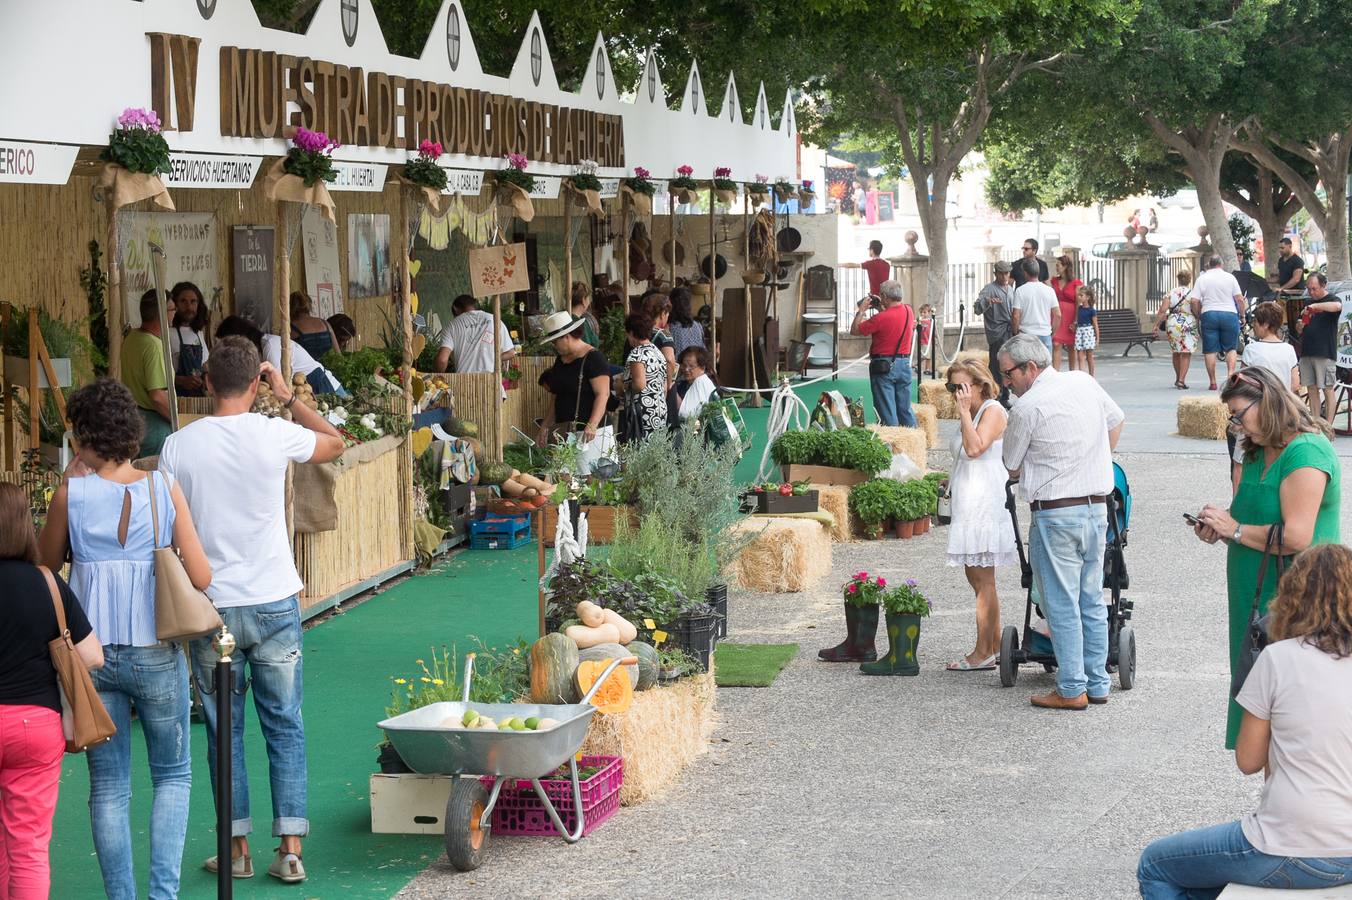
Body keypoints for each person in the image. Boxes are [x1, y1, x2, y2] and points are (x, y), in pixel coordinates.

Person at [160, 336, 346, 883]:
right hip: (272, 601)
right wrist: (287, 396)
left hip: (209, 607)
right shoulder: (275, 432)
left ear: (209, 383)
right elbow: (336, 442)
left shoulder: (179, 445)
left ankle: (235, 848)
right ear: (255, 383)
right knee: (284, 725)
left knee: (224, 730)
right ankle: (290, 849)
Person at [38, 379, 210, 900]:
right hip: (157, 651)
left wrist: (72, 480)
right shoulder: (163, 488)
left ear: (84, 437)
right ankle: (163, 895)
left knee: (108, 788)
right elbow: (200, 577)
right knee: (173, 776)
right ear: (132, 432)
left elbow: (44, 568)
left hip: (91, 657)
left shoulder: (71, 494)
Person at [1136, 544, 1352, 898]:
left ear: (1292, 596)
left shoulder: (1278, 659)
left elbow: (1248, 760)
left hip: (1290, 841)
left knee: (1156, 865)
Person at [1194, 366, 1341, 749]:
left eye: (1240, 416)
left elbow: (1295, 536)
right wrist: (1220, 528)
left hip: (1298, 597)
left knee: (1293, 710)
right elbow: (1248, 524)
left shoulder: (1306, 451)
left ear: (1269, 402)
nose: (1238, 426)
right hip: (1254, 595)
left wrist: (1235, 530)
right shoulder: (1256, 452)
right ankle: (1276, 800)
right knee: (1263, 706)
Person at [1000, 334, 1125, 710]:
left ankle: (1071, 688)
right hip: (1096, 507)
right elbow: (1116, 422)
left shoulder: (1026, 408)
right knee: (1091, 597)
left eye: (1008, 374)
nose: (1006, 382)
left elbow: (1011, 463)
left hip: (1056, 511)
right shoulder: (1083, 381)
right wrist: (1093, 458)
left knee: (1061, 603)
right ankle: (1098, 681)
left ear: (1030, 369)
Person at [0, 483, 101, 899]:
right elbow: (92, 655)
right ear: (26, 525)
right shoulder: (47, 582)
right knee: (28, 846)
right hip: (34, 724)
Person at [943, 359, 1017, 672]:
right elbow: (966, 457)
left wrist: (961, 413)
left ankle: (982, 651)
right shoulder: (973, 413)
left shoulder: (993, 411)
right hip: (970, 502)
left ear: (980, 385)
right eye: (951, 387)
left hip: (985, 505)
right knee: (977, 578)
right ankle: (995, 645)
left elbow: (975, 449)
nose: (955, 393)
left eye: (961, 386)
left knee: (983, 579)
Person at [215, 316, 346, 397]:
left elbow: (276, 384)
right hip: (308, 388)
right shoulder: (262, 348)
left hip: (320, 385)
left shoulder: (271, 346)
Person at [536, 311, 611, 446]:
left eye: (555, 342)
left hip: (592, 434)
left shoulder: (594, 358)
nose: (554, 346)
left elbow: (603, 394)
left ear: (566, 337)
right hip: (565, 431)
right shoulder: (560, 360)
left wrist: (592, 424)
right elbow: (556, 395)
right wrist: (546, 424)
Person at [850, 279, 917, 427]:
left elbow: (854, 330)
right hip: (904, 364)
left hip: (884, 366)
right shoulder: (908, 311)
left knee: (887, 411)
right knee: (905, 409)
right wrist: (882, 306)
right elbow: (892, 318)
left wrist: (861, 310)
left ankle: (892, 443)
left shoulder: (880, 318)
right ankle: (913, 438)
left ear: (885, 296)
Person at [120, 289, 173, 458]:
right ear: (162, 314)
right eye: (172, 310)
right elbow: (157, 395)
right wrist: (177, 421)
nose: (175, 314)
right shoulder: (153, 346)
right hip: (156, 426)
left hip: (136, 420)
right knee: (156, 480)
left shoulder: (132, 338)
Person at [1190, 256, 1245, 390]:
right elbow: (1239, 299)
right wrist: (1242, 315)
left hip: (1209, 313)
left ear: (1209, 265)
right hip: (1229, 314)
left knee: (1210, 350)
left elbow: (1194, 301)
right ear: (1222, 264)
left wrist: (1199, 314)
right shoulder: (1230, 278)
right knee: (1231, 348)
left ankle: (1213, 382)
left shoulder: (1202, 278)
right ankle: (1230, 377)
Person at [1297, 273, 1343, 424]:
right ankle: (1315, 423)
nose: (1311, 292)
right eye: (1308, 288)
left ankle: (1328, 426)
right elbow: (1299, 328)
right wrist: (1300, 324)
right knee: (1311, 389)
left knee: (1327, 389)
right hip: (1307, 351)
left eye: (1314, 289)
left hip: (1324, 352)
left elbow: (1337, 307)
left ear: (1323, 286)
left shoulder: (1332, 299)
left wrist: (1315, 306)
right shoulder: (1308, 302)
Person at [432, 294, 515, 376]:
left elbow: (442, 360)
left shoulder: (452, 326)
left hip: (464, 383)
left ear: (455, 309)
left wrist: (437, 376)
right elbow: (510, 353)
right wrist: (491, 358)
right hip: (492, 381)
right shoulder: (495, 320)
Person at [619, 311, 668, 442]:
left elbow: (639, 384)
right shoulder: (657, 352)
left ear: (632, 333)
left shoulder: (637, 354)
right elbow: (664, 385)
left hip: (642, 412)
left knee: (640, 450)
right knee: (654, 450)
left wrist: (623, 385)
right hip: (659, 408)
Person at [975, 260, 1015, 398]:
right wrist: (987, 301)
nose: (1005, 277)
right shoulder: (989, 289)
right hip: (997, 333)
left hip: (1010, 332)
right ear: (995, 274)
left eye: (1007, 274)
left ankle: (1005, 395)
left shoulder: (1011, 289)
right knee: (997, 366)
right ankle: (997, 394)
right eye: (1001, 274)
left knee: (1009, 365)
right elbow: (977, 309)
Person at [1241, 302, 1299, 391]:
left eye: (1255, 321)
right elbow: (1295, 384)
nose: (1253, 325)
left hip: (1259, 400)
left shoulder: (1251, 349)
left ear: (1265, 325)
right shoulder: (1289, 349)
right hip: (1283, 400)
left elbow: (1244, 380)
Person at [1155, 270, 1197, 390]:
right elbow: (1195, 308)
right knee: (1186, 351)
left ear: (1178, 279)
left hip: (1173, 322)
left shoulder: (1171, 292)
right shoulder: (1193, 293)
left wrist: (1156, 325)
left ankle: (1178, 377)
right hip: (1188, 323)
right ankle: (1182, 380)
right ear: (1189, 280)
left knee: (1176, 351)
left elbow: (1162, 310)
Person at [168, 281, 210, 398]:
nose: (189, 307)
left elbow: (205, 365)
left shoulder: (198, 333)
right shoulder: (167, 334)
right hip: (176, 400)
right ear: (174, 303)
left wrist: (206, 375)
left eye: (193, 302)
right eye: (183, 301)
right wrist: (181, 381)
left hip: (198, 400)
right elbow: (159, 376)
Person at [1011, 258, 1060, 354]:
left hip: (1026, 335)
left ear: (1025, 272)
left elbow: (1016, 316)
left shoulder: (1020, 291)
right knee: (1044, 368)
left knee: (1027, 367)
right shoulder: (1049, 290)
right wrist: (1051, 333)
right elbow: (1058, 315)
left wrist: (1015, 332)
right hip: (1045, 334)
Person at [1050, 256, 1083, 371]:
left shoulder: (1076, 283)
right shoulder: (1054, 281)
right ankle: (1055, 373)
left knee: (1071, 346)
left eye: (1058, 265)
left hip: (1071, 317)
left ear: (1065, 267)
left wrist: (1076, 321)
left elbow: (1079, 303)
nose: (1056, 267)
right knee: (1056, 344)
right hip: (1057, 316)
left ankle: (1072, 372)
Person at [288, 291, 338, 361]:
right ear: (309, 306)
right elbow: (338, 355)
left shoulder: (290, 329)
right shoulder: (325, 324)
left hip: (305, 371)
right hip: (328, 371)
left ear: (289, 307)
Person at [643, 292, 678, 389]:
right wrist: (668, 384)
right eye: (667, 314)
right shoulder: (663, 335)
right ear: (662, 314)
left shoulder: (636, 332)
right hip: (658, 387)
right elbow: (669, 360)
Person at [676, 346, 718, 422]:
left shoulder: (703, 383)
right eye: (684, 365)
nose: (686, 369)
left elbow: (686, 413)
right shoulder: (681, 385)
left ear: (702, 367)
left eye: (691, 366)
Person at [668, 287, 706, 358]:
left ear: (672, 304)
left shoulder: (670, 327)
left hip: (679, 367)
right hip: (696, 366)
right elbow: (703, 350)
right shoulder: (698, 325)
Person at [1073, 285, 1100, 377]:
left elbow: (1095, 325)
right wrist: (1074, 325)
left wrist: (1097, 338)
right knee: (1079, 354)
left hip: (1088, 332)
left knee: (1089, 356)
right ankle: (1082, 376)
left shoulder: (1092, 310)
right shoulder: (1079, 308)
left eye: (1081, 295)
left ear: (1087, 297)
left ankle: (1091, 375)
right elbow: (1077, 320)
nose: (1079, 297)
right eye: (1079, 295)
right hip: (1080, 332)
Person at [570, 281, 601, 347]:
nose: (589, 301)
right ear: (583, 300)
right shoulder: (580, 324)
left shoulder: (565, 318)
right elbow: (588, 346)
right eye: (588, 298)